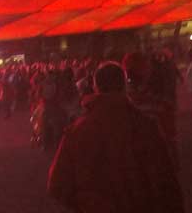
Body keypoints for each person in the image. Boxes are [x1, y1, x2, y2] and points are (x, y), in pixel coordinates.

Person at [47, 62, 184, 212]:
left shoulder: (77, 131)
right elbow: (167, 182)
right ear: (124, 86)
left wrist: (84, 204)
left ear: (95, 88)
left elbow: (57, 186)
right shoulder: (145, 126)